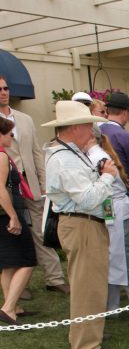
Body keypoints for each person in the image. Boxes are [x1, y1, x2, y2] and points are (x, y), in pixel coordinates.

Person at [42, 101, 118, 349]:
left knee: (91, 283)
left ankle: (88, 333)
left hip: (85, 223)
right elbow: (87, 198)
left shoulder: (70, 154)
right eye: (88, 124)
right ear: (74, 128)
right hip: (82, 224)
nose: (91, 129)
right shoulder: (65, 159)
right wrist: (107, 176)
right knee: (87, 286)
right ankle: (86, 345)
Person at [0, 74, 69, 296]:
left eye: (6, 88)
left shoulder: (25, 119)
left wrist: (43, 182)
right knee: (13, 232)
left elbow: (36, 153)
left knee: (42, 230)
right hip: (6, 183)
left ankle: (55, 277)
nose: (4, 92)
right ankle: (19, 287)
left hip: (29, 182)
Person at [84, 128, 129, 319]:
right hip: (117, 213)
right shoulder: (99, 155)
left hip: (119, 213)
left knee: (124, 261)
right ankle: (113, 306)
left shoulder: (97, 157)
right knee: (115, 261)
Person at [0, 116, 36, 324]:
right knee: (27, 260)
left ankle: (12, 307)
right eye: (9, 133)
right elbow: (1, 189)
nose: (12, 137)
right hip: (8, 215)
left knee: (9, 263)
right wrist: (13, 216)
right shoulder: (2, 157)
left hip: (5, 215)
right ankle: (9, 307)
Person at [99, 91, 129, 182]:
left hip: (102, 184)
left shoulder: (97, 131)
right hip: (124, 186)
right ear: (125, 113)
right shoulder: (125, 136)